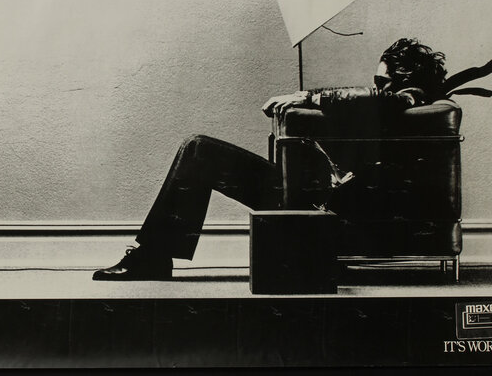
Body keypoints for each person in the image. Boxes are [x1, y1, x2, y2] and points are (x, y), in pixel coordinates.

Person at [92, 38, 448, 281]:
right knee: (197, 148)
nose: (376, 87)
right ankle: (153, 253)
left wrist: (307, 97)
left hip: (320, 209)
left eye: (382, 81)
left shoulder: (410, 100)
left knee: (200, 150)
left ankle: (153, 255)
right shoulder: (403, 108)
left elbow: (382, 102)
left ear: (405, 79)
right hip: (317, 198)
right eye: (375, 81)